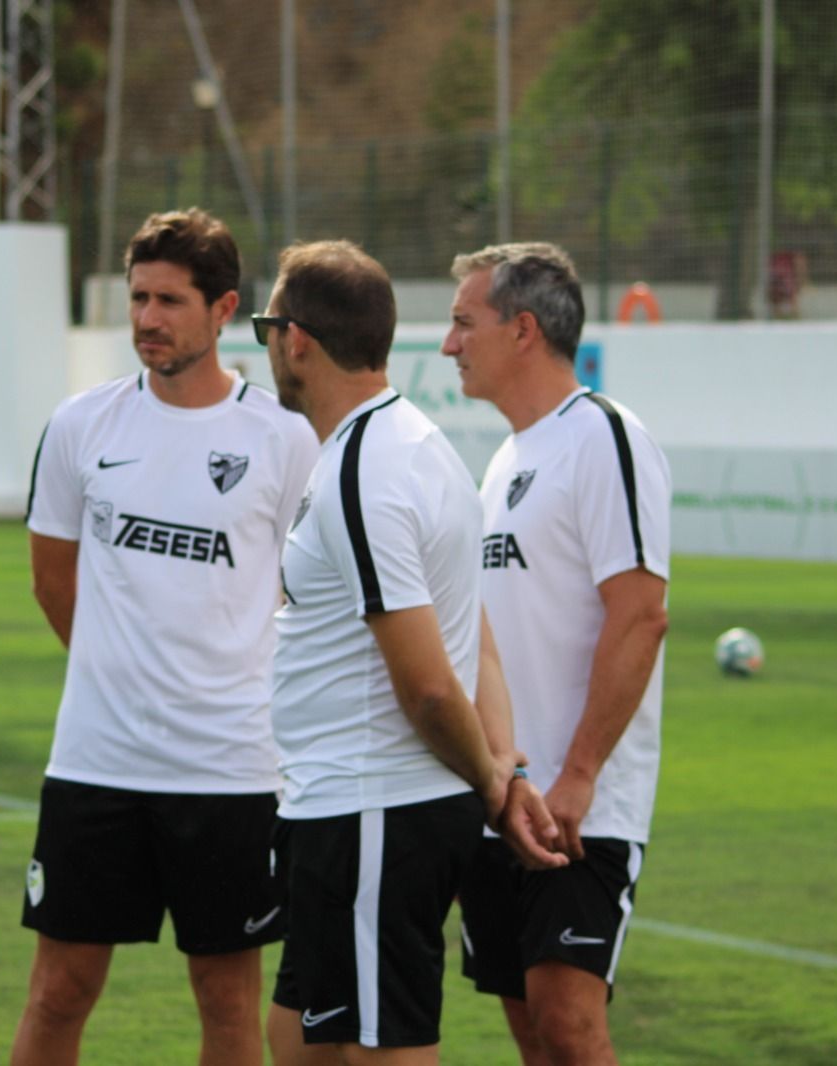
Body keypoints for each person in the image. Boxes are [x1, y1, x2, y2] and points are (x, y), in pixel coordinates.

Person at [15, 208, 319, 1066]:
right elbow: (52, 579)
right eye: (139, 298)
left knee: (226, 1000)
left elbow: (305, 593)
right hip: (96, 762)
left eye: (170, 301)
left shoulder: (284, 439)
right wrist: (118, 672)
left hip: (230, 767)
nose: (148, 318)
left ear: (223, 311)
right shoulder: (82, 425)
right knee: (58, 991)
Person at [259, 239, 565, 1066]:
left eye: (264, 327)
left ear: (296, 340)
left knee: (383, 1050)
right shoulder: (418, 446)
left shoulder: (365, 467)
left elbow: (430, 686)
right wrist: (503, 769)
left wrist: (494, 784)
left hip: (373, 808)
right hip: (349, 808)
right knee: (296, 1040)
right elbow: (477, 634)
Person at [443, 242, 671, 1066]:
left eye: (464, 323)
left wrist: (578, 774)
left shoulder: (604, 437)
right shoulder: (505, 461)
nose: (449, 344)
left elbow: (641, 615)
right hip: (505, 798)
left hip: (582, 806)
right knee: (533, 1032)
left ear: (523, 330)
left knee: (570, 1026)